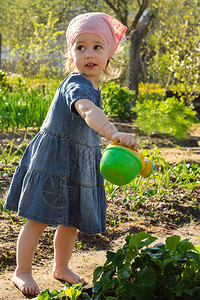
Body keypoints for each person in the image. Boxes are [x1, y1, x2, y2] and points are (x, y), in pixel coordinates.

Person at [4, 12, 137, 296]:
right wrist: (113, 132)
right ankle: (22, 271)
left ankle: (61, 267)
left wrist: (116, 145)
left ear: (109, 55)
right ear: (71, 54)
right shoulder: (76, 84)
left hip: (77, 163)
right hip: (53, 160)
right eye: (80, 47)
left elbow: (91, 118)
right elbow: (88, 112)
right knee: (37, 218)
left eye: (96, 47)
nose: (88, 53)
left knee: (71, 221)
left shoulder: (94, 86)